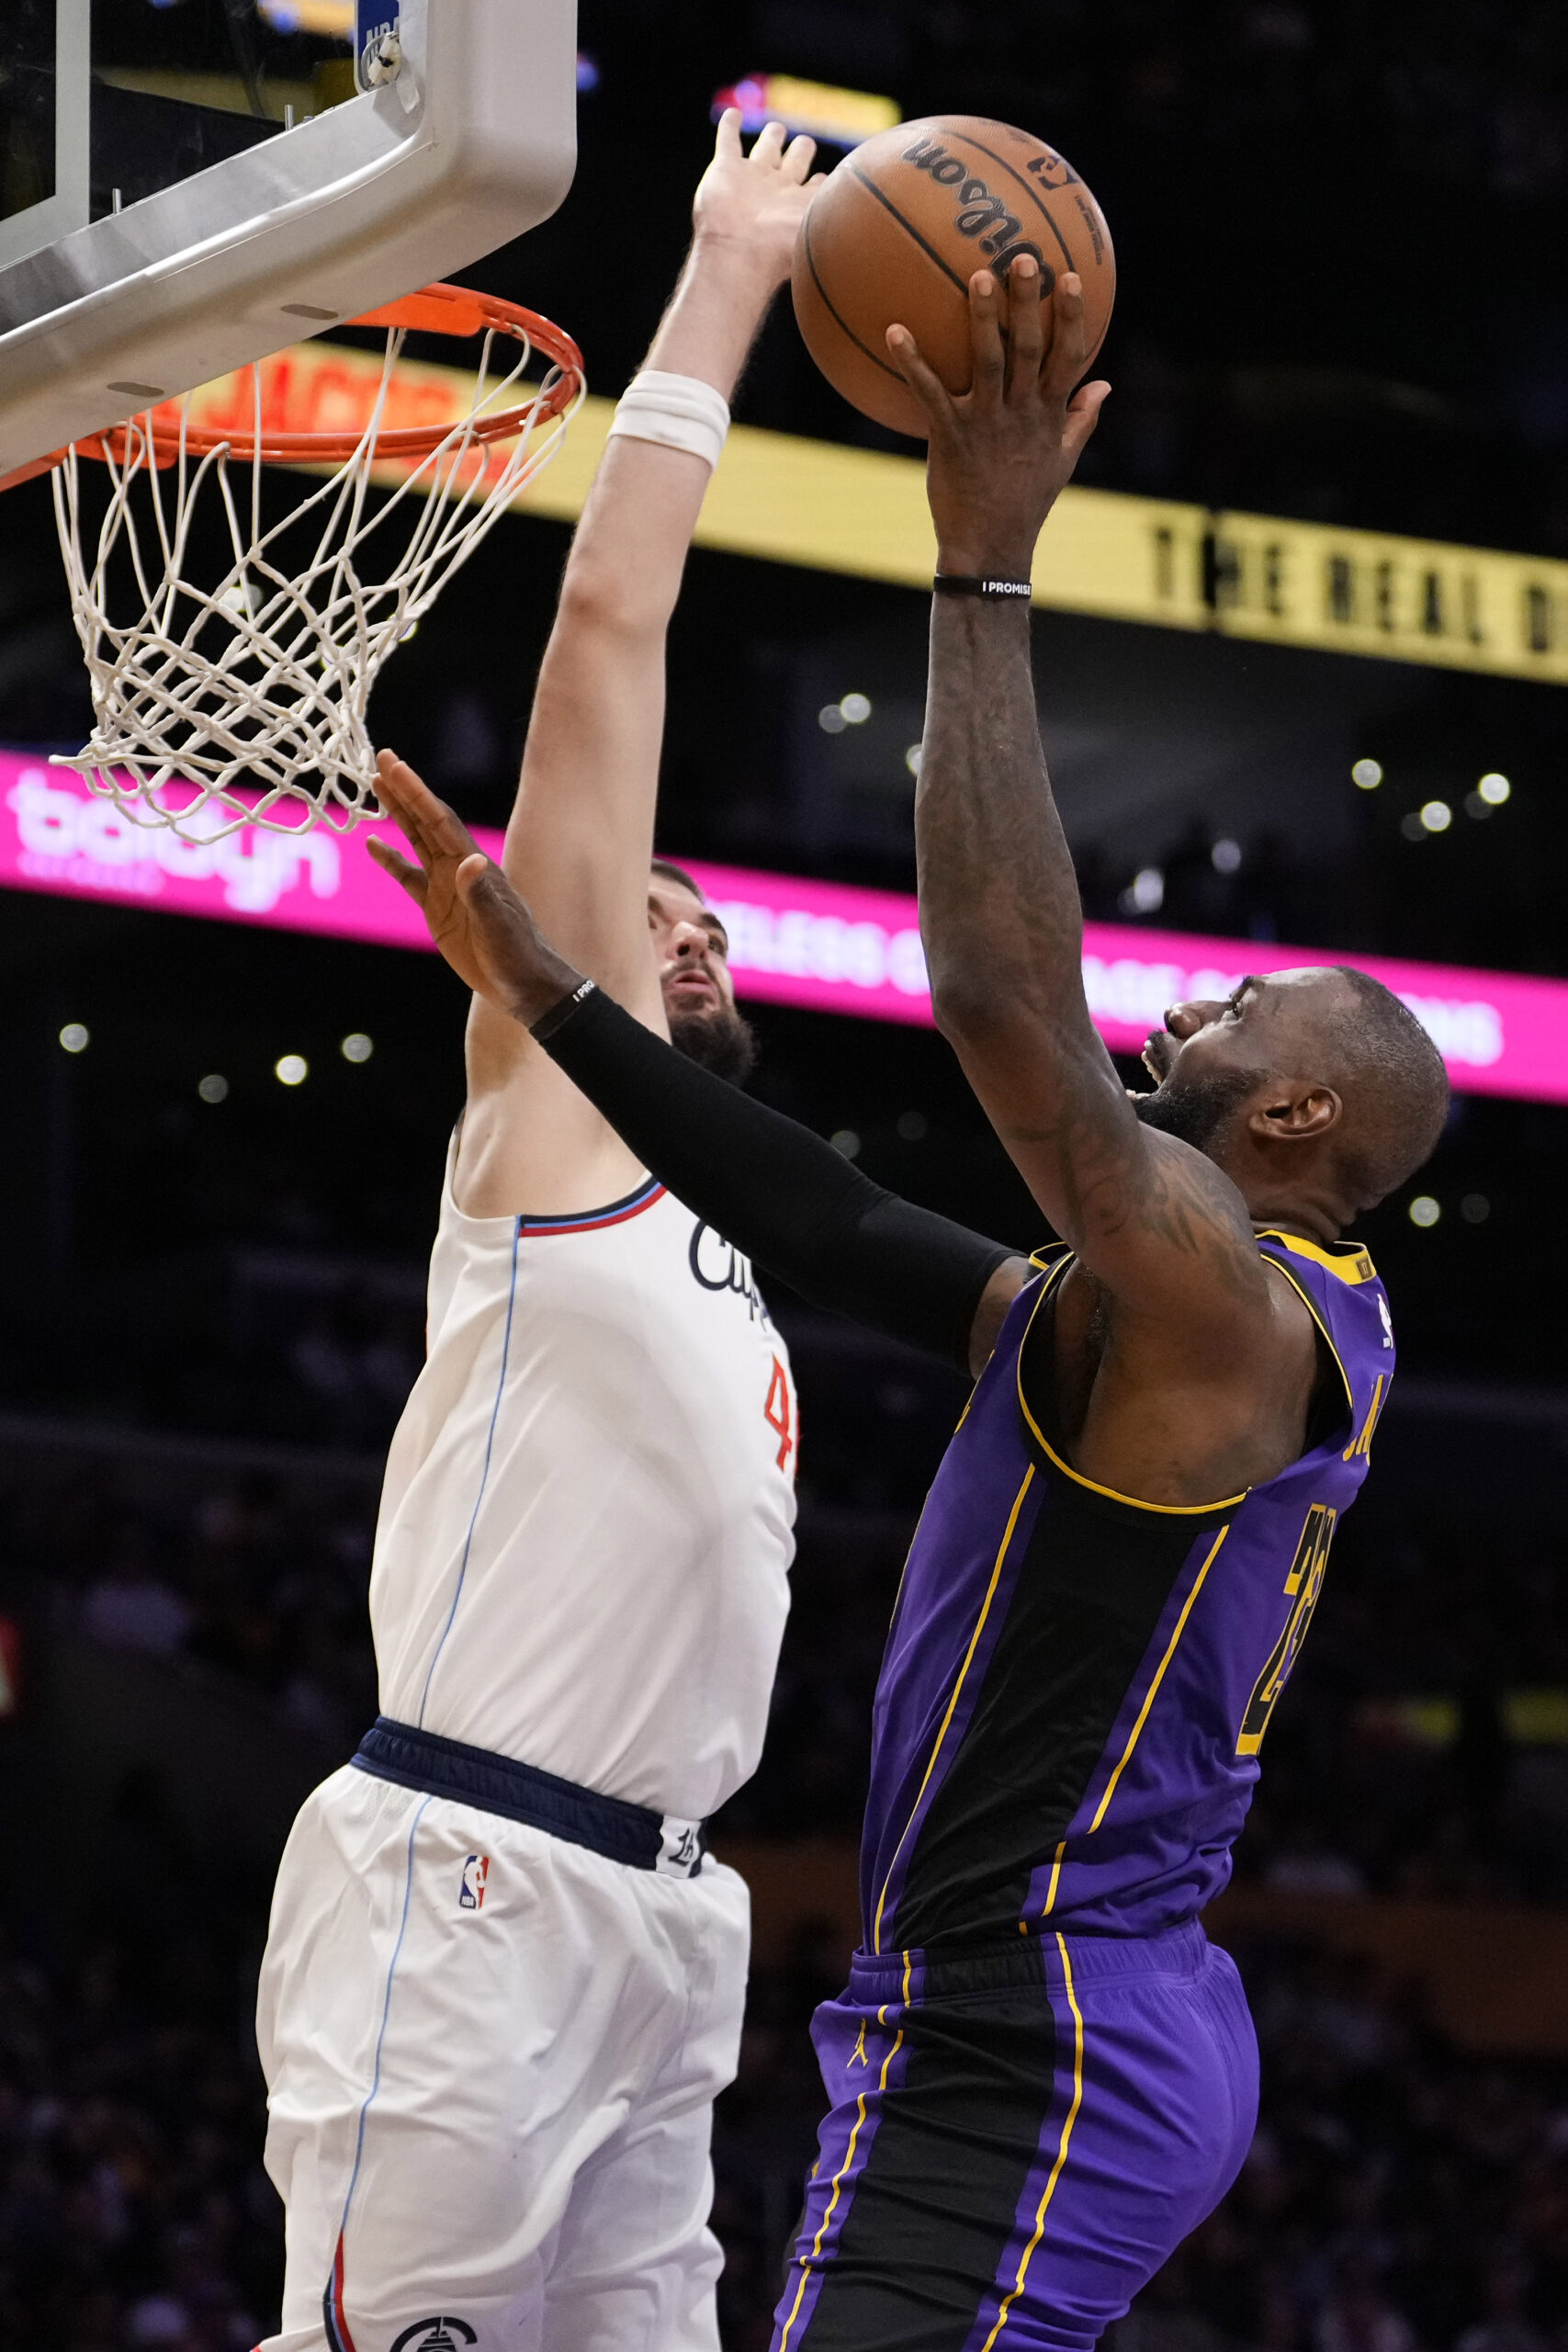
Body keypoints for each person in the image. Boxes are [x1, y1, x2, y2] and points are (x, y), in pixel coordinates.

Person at [367, 261, 1450, 2352]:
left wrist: (981, 567)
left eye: (1243, 1006)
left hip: (1038, 2016)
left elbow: (996, 1004)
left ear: (1304, 1108)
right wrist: (554, 996)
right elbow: (852, 1230)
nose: (1193, 995)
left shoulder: (1214, 1290)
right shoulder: (1208, 1307)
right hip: (1061, 1994)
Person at [254, 117, 820, 2352]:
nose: (659, 900)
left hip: (673, 1922)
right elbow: (609, 624)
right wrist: (727, 272)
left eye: (686, 904)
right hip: (475, 1876)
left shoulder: (740, 1233)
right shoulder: (559, 1109)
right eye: (631, 895)